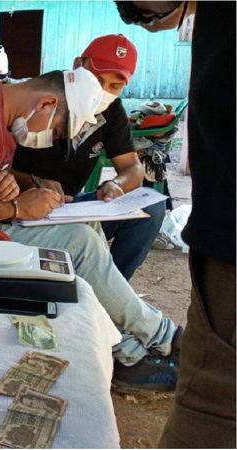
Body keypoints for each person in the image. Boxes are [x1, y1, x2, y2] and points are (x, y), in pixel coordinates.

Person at [0, 67, 181, 391]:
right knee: (80, 242)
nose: (52, 139)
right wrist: (16, 207)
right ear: (46, 104)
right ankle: (159, 338)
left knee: (84, 222)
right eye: (59, 131)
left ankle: (121, 345)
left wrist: (12, 185)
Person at [116, 1, 235, 447]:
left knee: (149, 211)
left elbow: (129, 167)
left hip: (228, 232)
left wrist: (118, 186)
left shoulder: (106, 110)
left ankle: (136, 335)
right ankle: (146, 337)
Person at [12, 34, 165, 281]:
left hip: (69, 209)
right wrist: (32, 182)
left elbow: (132, 168)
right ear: (77, 66)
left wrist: (116, 185)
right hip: (23, 210)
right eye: (96, 78)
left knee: (152, 207)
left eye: (114, 86)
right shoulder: (42, 95)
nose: (102, 91)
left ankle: (110, 290)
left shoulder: (112, 110)